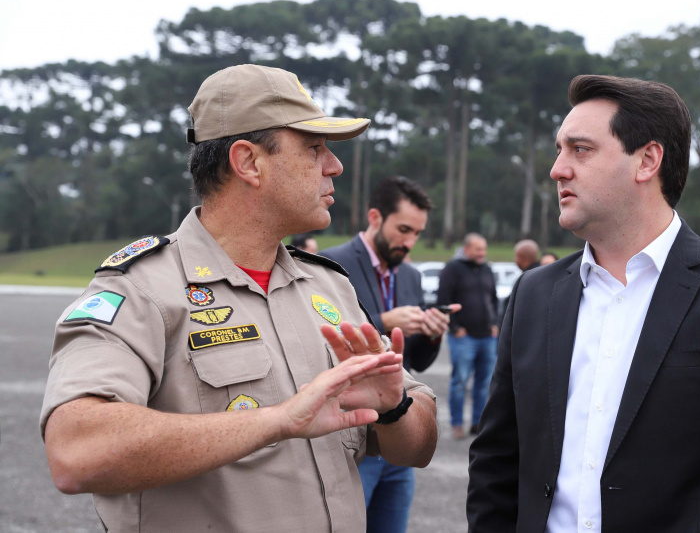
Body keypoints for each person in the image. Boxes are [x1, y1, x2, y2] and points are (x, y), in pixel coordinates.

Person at [40, 64, 438, 533]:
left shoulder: (329, 285)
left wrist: (394, 409)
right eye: (314, 148)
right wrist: (279, 420)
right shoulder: (140, 288)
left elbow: (417, 447)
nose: (334, 166)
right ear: (248, 162)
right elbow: (75, 452)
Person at [467, 75, 700, 532]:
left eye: (580, 149)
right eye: (560, 150)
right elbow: (497, 461)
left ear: (647, 160)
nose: (558, 169)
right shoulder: (534, 295)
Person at [320, 175, 460, 533]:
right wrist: (384, 321)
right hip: (353, 439)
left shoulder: (410, 276)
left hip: (399, 431)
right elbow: (321, 341)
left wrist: (430, 334)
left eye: (417, 233)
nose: (409, 242)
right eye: (403, 229)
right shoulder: (328, 265)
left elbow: (417, 364)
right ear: (375, 218)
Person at [436, 233, 499, 439]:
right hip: (464, 338)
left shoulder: (487, 270)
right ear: (467, 248)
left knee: (484, 383)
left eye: (484, 249)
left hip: (487, 337)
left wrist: (495, 324)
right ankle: (456, 424)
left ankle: (478, 423)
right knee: (460, 382)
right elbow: (442, 301)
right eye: (479, 249)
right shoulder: (452, 269)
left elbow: (493, 299)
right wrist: (455, 328)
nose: (483, 253)